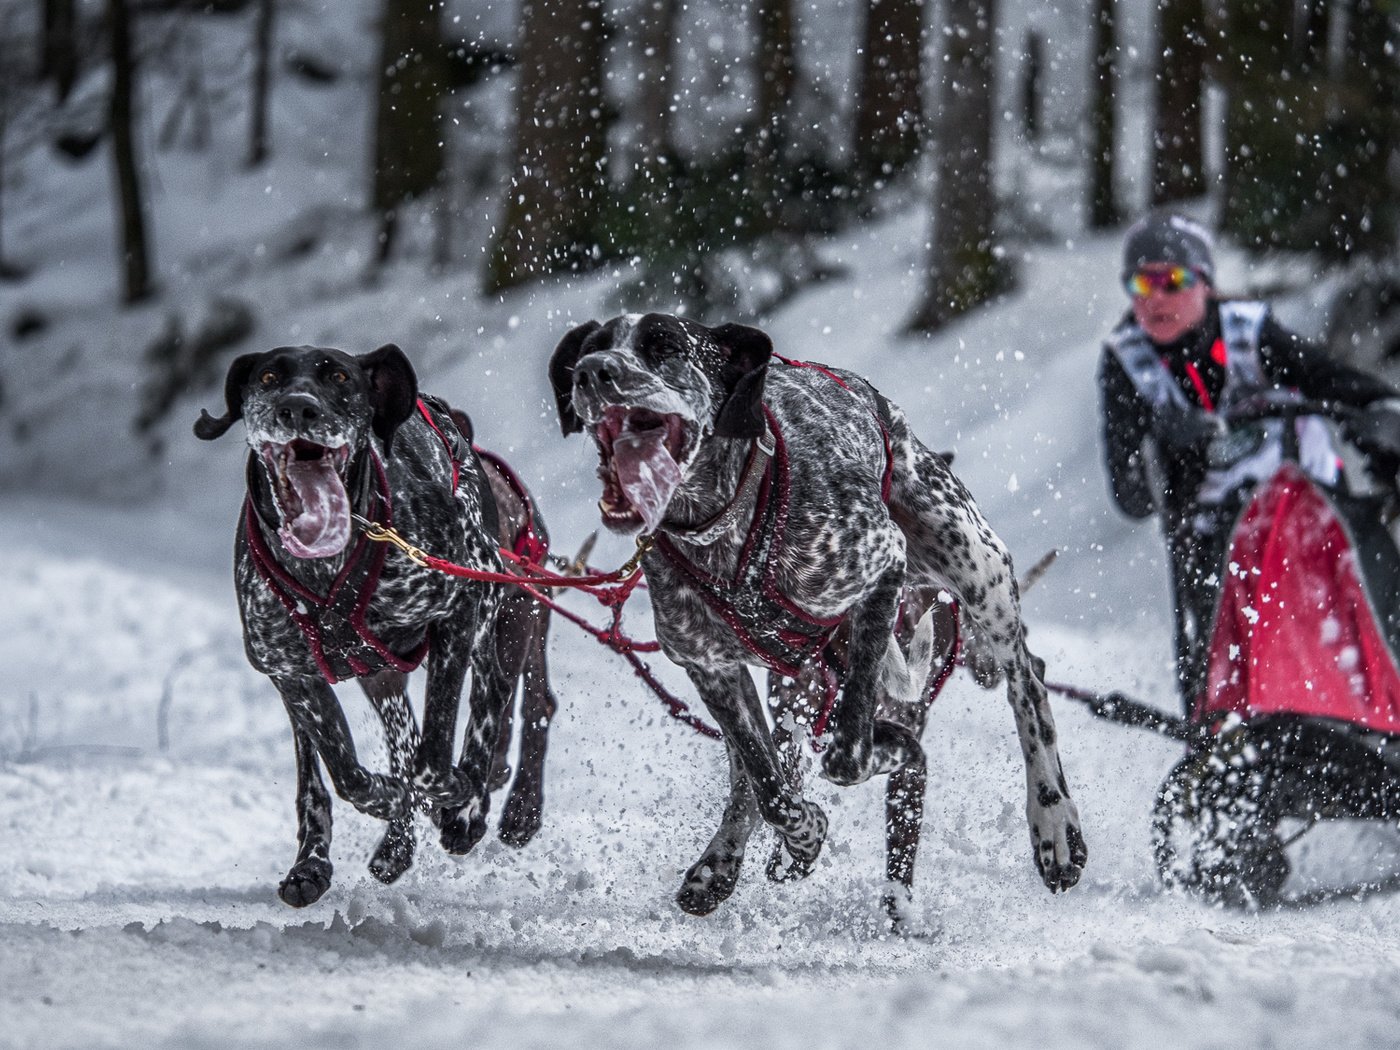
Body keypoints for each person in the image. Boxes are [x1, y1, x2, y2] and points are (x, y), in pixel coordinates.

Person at [1098, 211, 1400, 713]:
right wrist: (1168, 448)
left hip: (1313, 520)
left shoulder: (1249, 332)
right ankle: (1226, 727)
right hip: (1212, 538)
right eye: (1138, 283)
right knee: (1220, 646)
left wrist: (1378, 422)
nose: (1153, 298)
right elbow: (1130, 498)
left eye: (1170, 280)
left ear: (1205, 283)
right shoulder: (1125, 362)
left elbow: (1341, 387)